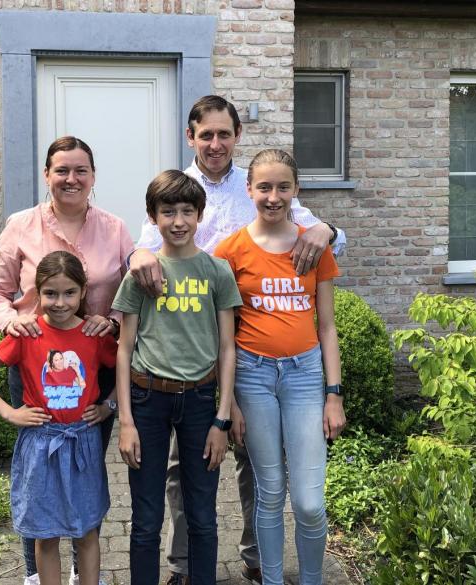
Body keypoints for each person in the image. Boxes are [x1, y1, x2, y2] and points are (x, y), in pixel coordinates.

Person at [129, 95, 347, 585]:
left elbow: (312, 231)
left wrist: (328, 229)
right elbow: (147, 250)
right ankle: (184, 565)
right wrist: (134, 258)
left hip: (249, 345)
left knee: (256, 464)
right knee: (185, 464)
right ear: (191, 137)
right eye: (205, 134)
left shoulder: (261, 181)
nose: (215, 143)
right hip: (190, 345)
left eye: (223, 134)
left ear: (236, 138)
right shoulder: (179, 188)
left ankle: (254, 556)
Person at [0, 136, 133, 585]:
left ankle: (80, 568)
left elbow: (131, 293)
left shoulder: (115, 228)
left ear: (93, 176)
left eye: (80, 170)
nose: (71, 178)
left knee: (84, 472)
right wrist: (12, 322)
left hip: (94, 366)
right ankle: (34, 573)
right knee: (38, 476)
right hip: (33, 362)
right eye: (61, 170)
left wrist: (114, 323)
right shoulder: (21, 225)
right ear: (47, 175)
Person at [215, 149, 346, 585]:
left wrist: (334, 395)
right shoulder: (229, 252)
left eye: (283, 187)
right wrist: (229, 401)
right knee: (269, 492)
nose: (273, 197)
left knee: (309, 501)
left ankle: (311, 579)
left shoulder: (314, 246)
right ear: (249, 189)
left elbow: (327, 327)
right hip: (252, 376)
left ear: (297, 190)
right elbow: (224, 337)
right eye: (264, 187)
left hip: (306, 375)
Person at [113, 170, 242, 585]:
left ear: (200, 214)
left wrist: (222, 419)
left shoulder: (217, 272)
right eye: (168, 212)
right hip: (149, 399)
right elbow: (124, 349)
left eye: (187, 210)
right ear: (153, 217)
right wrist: (127, 423)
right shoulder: (141, 274)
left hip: (201, 403)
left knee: (203, 514)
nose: (179, 221)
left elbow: (227, 347)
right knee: (146, 517)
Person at [0, 251, 118, 585]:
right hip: (40, 444)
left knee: (87, 530)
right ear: (37, 293)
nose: (60, 302)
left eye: (69, 293)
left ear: (83, 293)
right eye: (50, 293)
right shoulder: (27, 334)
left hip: (83, 442)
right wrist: (10, 412)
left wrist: (110, 405)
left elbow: (126, 367)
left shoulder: (94, 335)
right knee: (45, 533)